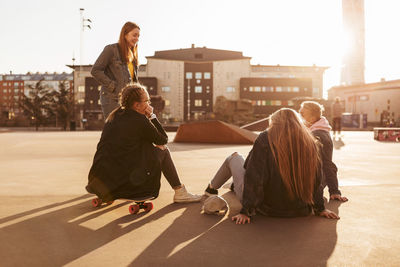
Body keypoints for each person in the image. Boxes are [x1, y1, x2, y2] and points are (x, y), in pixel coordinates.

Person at [204, 108, 339, 224]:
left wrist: (246, 211)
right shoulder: (310, 142)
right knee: (242, 170)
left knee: (234, 157)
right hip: (300, 209)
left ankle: (211, 188)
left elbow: (254, 176)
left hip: (266, 208)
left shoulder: (266, 137)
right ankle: (231, 185)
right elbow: (316, 179)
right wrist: (320, 208)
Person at [86, 83, 201, 203]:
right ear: (136, 105)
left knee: (142, 149)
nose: (149, 104)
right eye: (147, 101)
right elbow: (163, 139)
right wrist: (152, 116)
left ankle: (111, 193)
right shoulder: (139, 120)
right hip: (127, 181)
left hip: (101, 180)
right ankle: (180, 192)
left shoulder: (114, 116)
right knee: (164, 150)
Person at [299, 101, 348, 202]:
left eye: (302, 114)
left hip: (315, 182)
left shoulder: (318, 135)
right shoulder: (317, 129)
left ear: (312, 119)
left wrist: (334, 191)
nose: (300, 117)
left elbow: (327, 164)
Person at [91, 21, 140, 119]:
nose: (137, 39)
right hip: (112, 99)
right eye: (134, 35)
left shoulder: (133, 56)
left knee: (127, 130)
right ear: (125, 35)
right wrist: (112, 86)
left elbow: (134, 81)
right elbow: (95, 70)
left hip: (127, 100)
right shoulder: (111, 49)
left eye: (138, 36)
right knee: (114, 130)